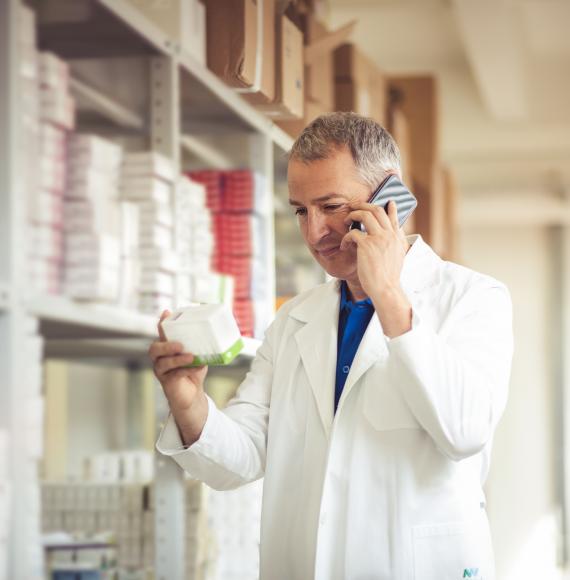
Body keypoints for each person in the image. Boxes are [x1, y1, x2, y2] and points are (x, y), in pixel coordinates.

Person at [151, 112, 514, 580]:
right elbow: (238, 461)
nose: (314, 233)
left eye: (332, 206)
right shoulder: (294, 320)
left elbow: (464, 432)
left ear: (390, 200)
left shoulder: (472, 298)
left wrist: (387, 295)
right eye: (301, 210)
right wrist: (188, 401)